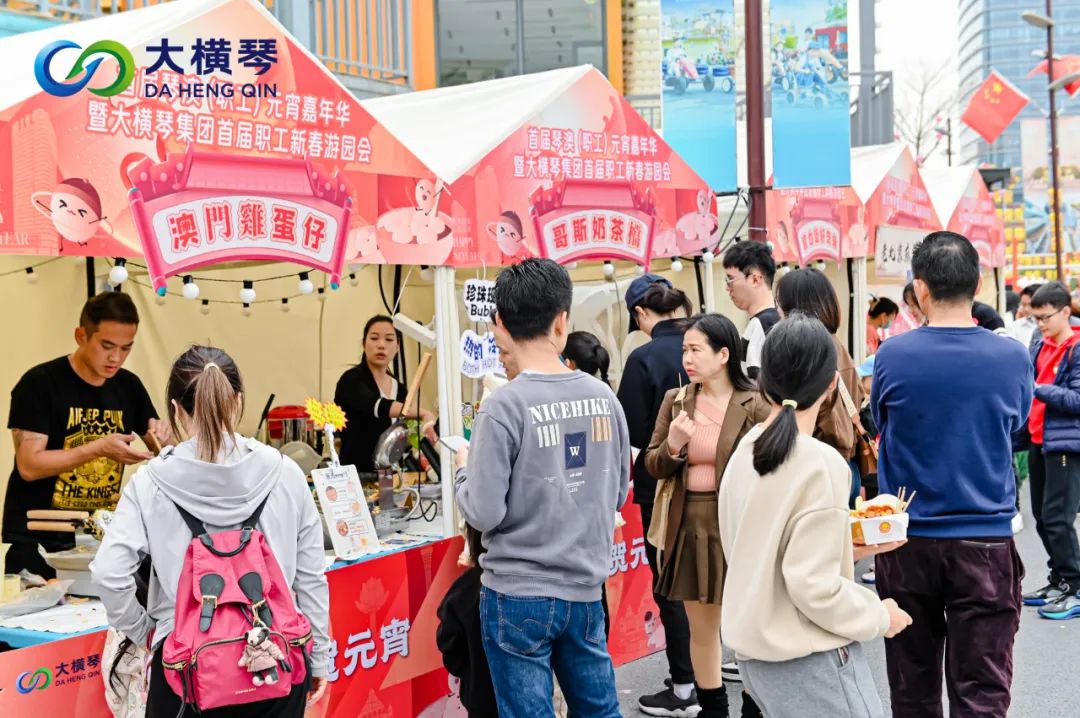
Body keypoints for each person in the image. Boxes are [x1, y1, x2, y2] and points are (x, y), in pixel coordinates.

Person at [91, 346, 331, 716]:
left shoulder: (149, 483)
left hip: (185, 668)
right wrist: (320, 658)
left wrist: (147, 633)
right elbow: (310, 577)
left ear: (176, 410)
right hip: (276, 658)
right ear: (239, 401)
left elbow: (109, 574)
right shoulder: (286, 473)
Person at [455, 259, 630, 717]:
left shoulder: (502, 406)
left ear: (500, 323)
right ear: (561, 322)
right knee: (599, 710)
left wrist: (462, 473)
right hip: (586, 588)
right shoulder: (604, 398)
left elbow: (484, 512)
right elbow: (617, 495)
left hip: (516, 593)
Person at [717, 314, 911, 718]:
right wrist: (880, 615)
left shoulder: (746, 450)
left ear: (763, 381)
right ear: (831, 383)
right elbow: (814, 587)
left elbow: (762, 554)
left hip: (757, 657)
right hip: (809, 659)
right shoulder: (820, 462)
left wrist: (849, 547)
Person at [872, 231, 1032, 718]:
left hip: (906, 539)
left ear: (920, 288)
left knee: (912, 687)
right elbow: (1017, 425)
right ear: (978, 284)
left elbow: (881, 421)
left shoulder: (893, 354)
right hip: (985, 539)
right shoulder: (1011, 356)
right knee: (982, 690)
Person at [645, 314, 770, 718]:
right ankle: (713, 709)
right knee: (702, 629)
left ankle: (753, 705)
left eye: (696, 350)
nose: (687, 358)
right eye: (685, 350)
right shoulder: (676, 400)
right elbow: (652, 464)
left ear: (723, 354)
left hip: (740, 523)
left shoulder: (756, 402)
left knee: (747, 626)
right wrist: (674, 446)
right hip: (691, 524)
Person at [4, 291, 171, 578]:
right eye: (107, 346)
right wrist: (98, 448)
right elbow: (29, 466)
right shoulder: (39, 383)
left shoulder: (128, 386)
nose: (116, 357)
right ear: (81, 336)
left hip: (99, 539)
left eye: (126, 348)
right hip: (37, 540)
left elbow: (163, 449)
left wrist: (164, 439)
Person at [617, 274, 700, 716]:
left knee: (670, 586)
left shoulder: (643, 358)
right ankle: (706, 673)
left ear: (640, 314)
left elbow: (629, 434)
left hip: (662, 488)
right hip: (712, 483)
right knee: (707, 583)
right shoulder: (710, 345)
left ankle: (685, 688)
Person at [775, 268, 863, 501]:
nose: (778, 311)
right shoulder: (836, 344)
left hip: (820, 465)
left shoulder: (807, 348)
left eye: (780, 303)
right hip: (847, 464)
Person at [1022, 281, 1080, 619]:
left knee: (1058, 519)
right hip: (1038, 440)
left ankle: (1075, 586)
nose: (1041, 324)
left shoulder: (1076, 348)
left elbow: (1076, 400)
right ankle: (1058, 579)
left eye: (1046, 317)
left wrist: (1039, 389)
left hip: (1065, 445)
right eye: (1036, 318)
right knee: (1043, 518)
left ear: (1065, 312)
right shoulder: (1038, 345)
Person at [334, 315, 433, 472]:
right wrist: (423, 413)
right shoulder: (351, 380)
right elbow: (378, 406)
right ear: (363, 344)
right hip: (356, 475)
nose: (381, 345)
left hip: (391, 475)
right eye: (374, 338)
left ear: (398, 347)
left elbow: (404, 434)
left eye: (389, 339)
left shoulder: (400, 389)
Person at [437, 525, 497, 717]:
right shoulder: (534, 587)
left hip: (481, 698)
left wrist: (469, 672)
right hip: (530, 698)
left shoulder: (466, 589)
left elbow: (450, 645)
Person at [721, 241, 779, 379]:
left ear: (755, 280)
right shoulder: (775, 320)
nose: (727, 288)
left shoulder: (761, 325)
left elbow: (755, 384)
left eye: (730, 280)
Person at [1009, 283, 1041, 348]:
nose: (1026, 309)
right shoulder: (1015, 326)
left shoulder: (1050, 325)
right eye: (1023, 305)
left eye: (1030, 304)